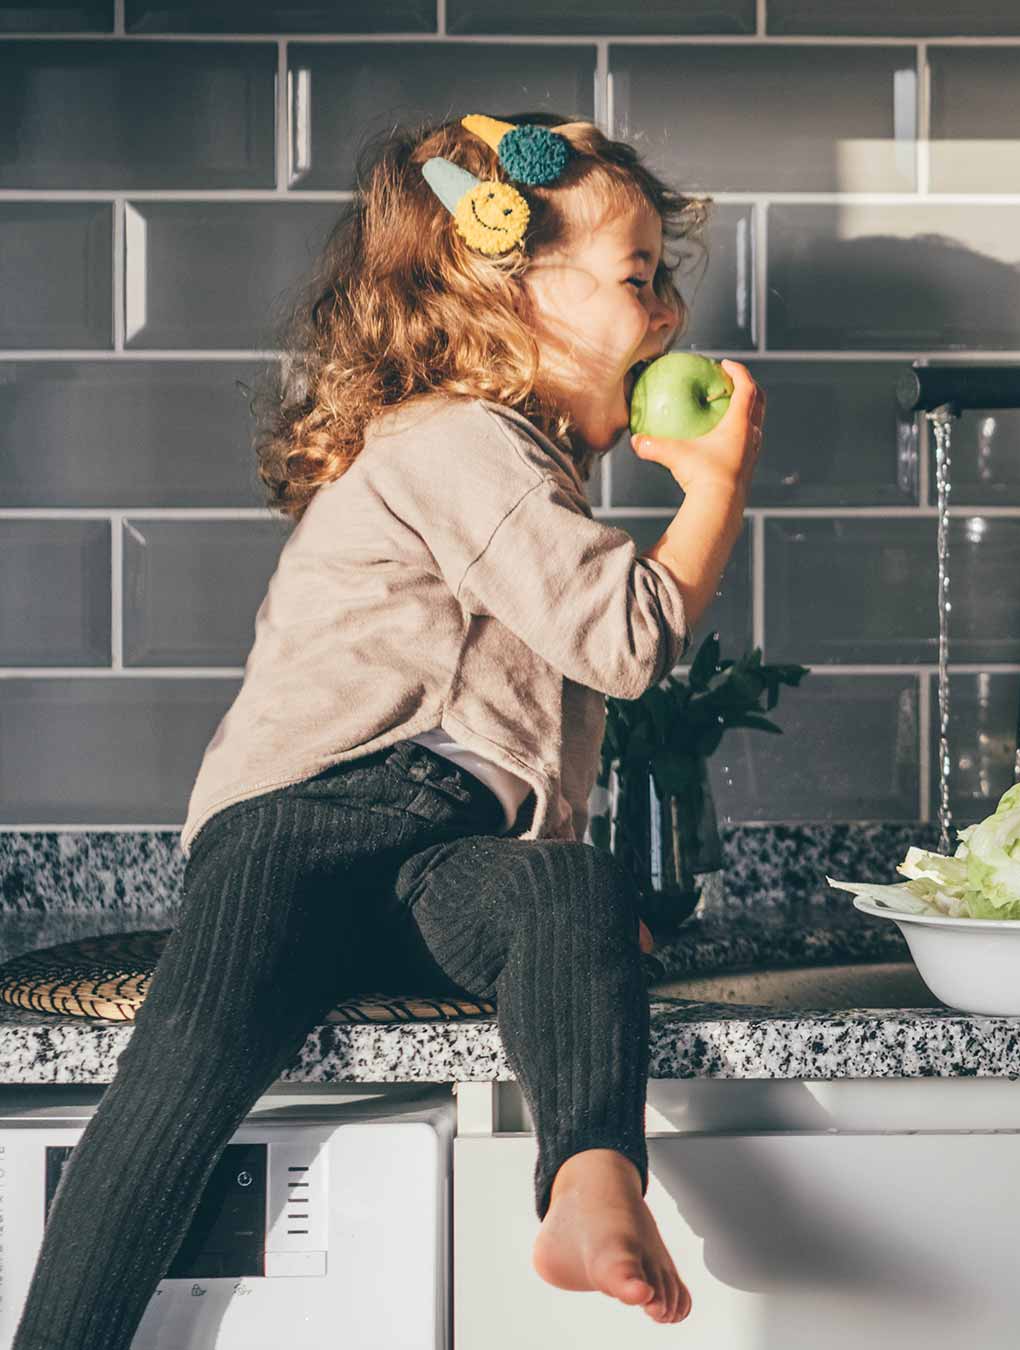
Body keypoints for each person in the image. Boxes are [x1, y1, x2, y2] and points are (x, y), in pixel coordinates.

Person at [12, 112, 762, 1346]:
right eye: (640, 279)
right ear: (507, 292)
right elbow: (628, 644)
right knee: (181, 1075)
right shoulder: (460, 438)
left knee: (567, 886)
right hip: (303, 826)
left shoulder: (524, 470)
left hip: (435, 861)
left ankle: (588, 1180)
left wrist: (565, 932)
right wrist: (718, 488)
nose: (670, 314)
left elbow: (520, 743)